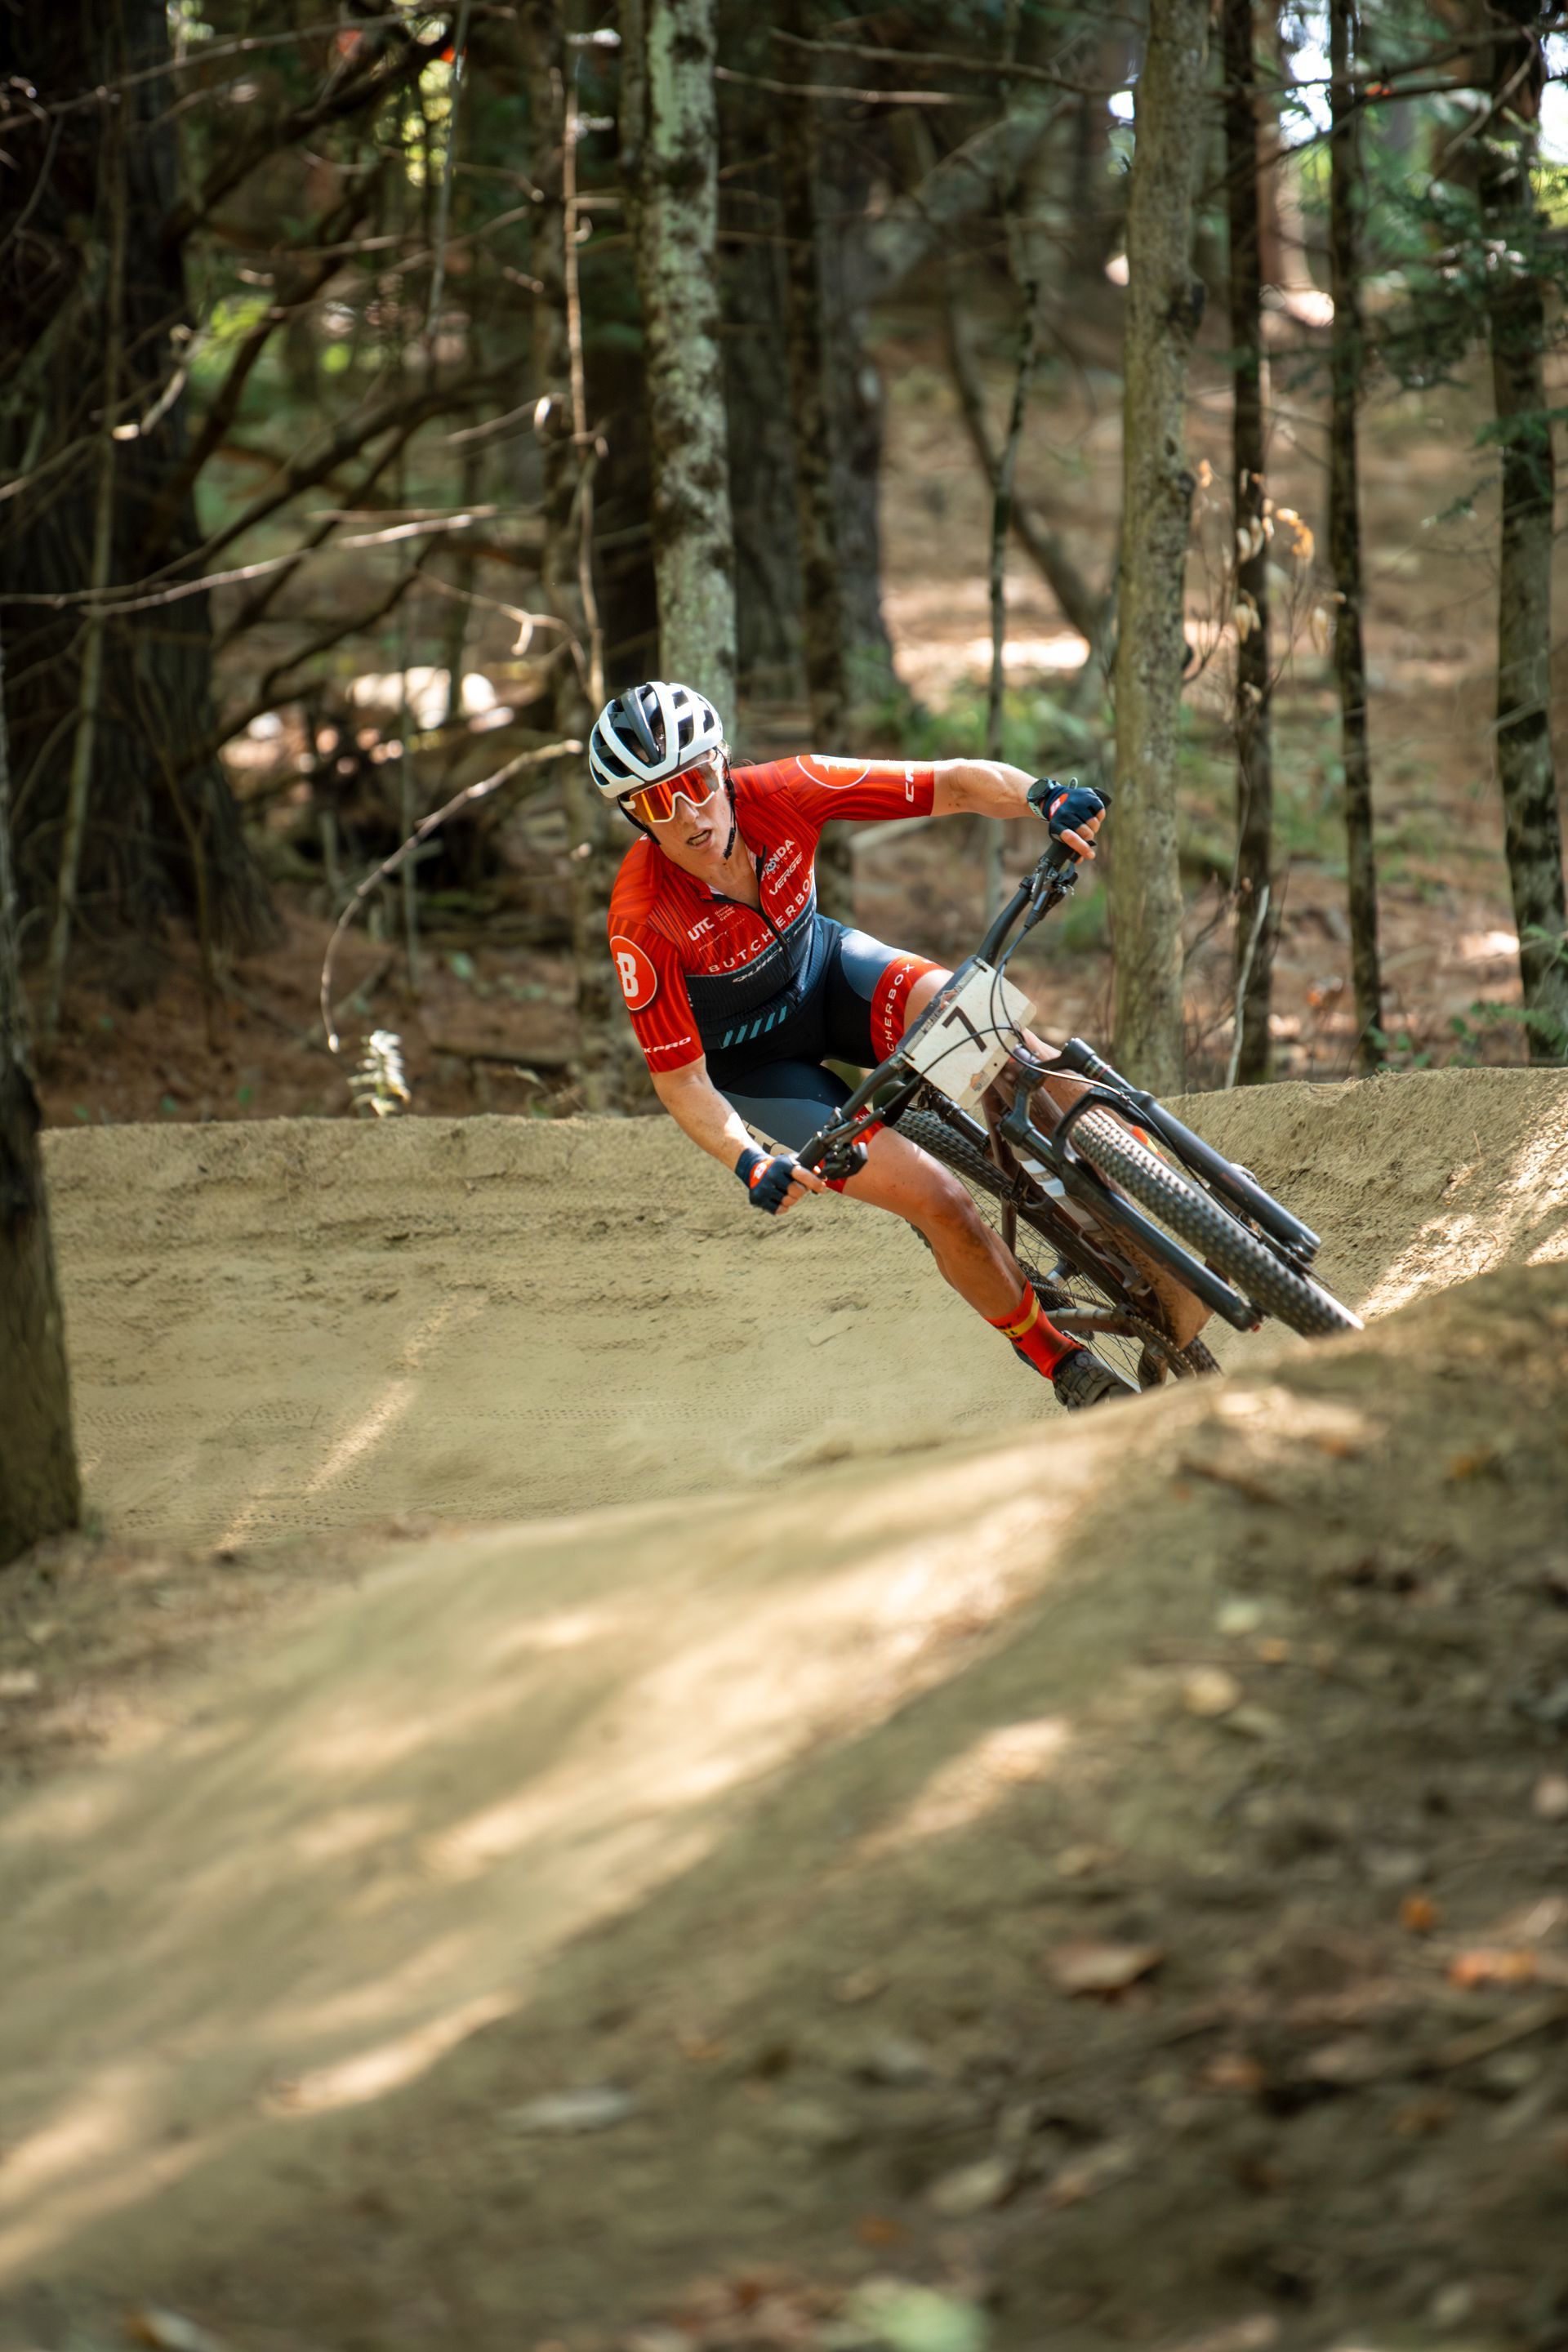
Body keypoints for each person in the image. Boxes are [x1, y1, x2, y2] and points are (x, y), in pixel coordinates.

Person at [590, 679, 1133, 1410]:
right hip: (762, 1067)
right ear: (635, 816)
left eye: (694, 782)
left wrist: (1042, 795)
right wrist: (748, 1161)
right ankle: (1061, 1365)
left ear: (721, 764)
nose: (688, 815)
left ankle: (1131, 1183)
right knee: (941, 1202)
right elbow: (682, 1082)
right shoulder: (642, 920)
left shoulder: (788, 789)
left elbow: (954, 786)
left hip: (833, 979)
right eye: (658, 802)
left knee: (1007, 1037)